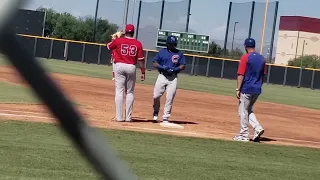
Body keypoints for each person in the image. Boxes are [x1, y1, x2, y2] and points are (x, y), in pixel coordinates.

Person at [107, 24, 145, 122]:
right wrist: (143, 71)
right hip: (131, 67)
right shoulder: (138, 43)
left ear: (125, 31)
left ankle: (119, 117)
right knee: (130, 92)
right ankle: (128, 117)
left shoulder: (119, 40)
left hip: (119, 66)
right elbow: (141, 60)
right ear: (133, 32)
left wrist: (115, 39)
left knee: (119, 91)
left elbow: (109, 47)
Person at [233, 38, 266, 142]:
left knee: (242, 111)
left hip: (246, 88)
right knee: (248, 109)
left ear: (246, 46)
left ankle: (243, 135)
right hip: (257, 88)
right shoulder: (262, 58)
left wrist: (238, 88)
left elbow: (240, 74)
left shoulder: (245, 57)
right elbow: (263, 75)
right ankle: (258, 128)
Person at [152, 35, 186, 123]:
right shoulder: (162, 52)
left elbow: (183, 65)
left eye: (173, 44)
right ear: (167, 44)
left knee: (169, 98)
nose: (172, 45)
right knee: (156, 96)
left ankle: (165, 117)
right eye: (170, 44)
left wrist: (175, 69)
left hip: (173, 78)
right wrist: (162, 67)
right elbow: (154, 63)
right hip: (162, 76)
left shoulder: (179, 53)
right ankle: (156, 111)